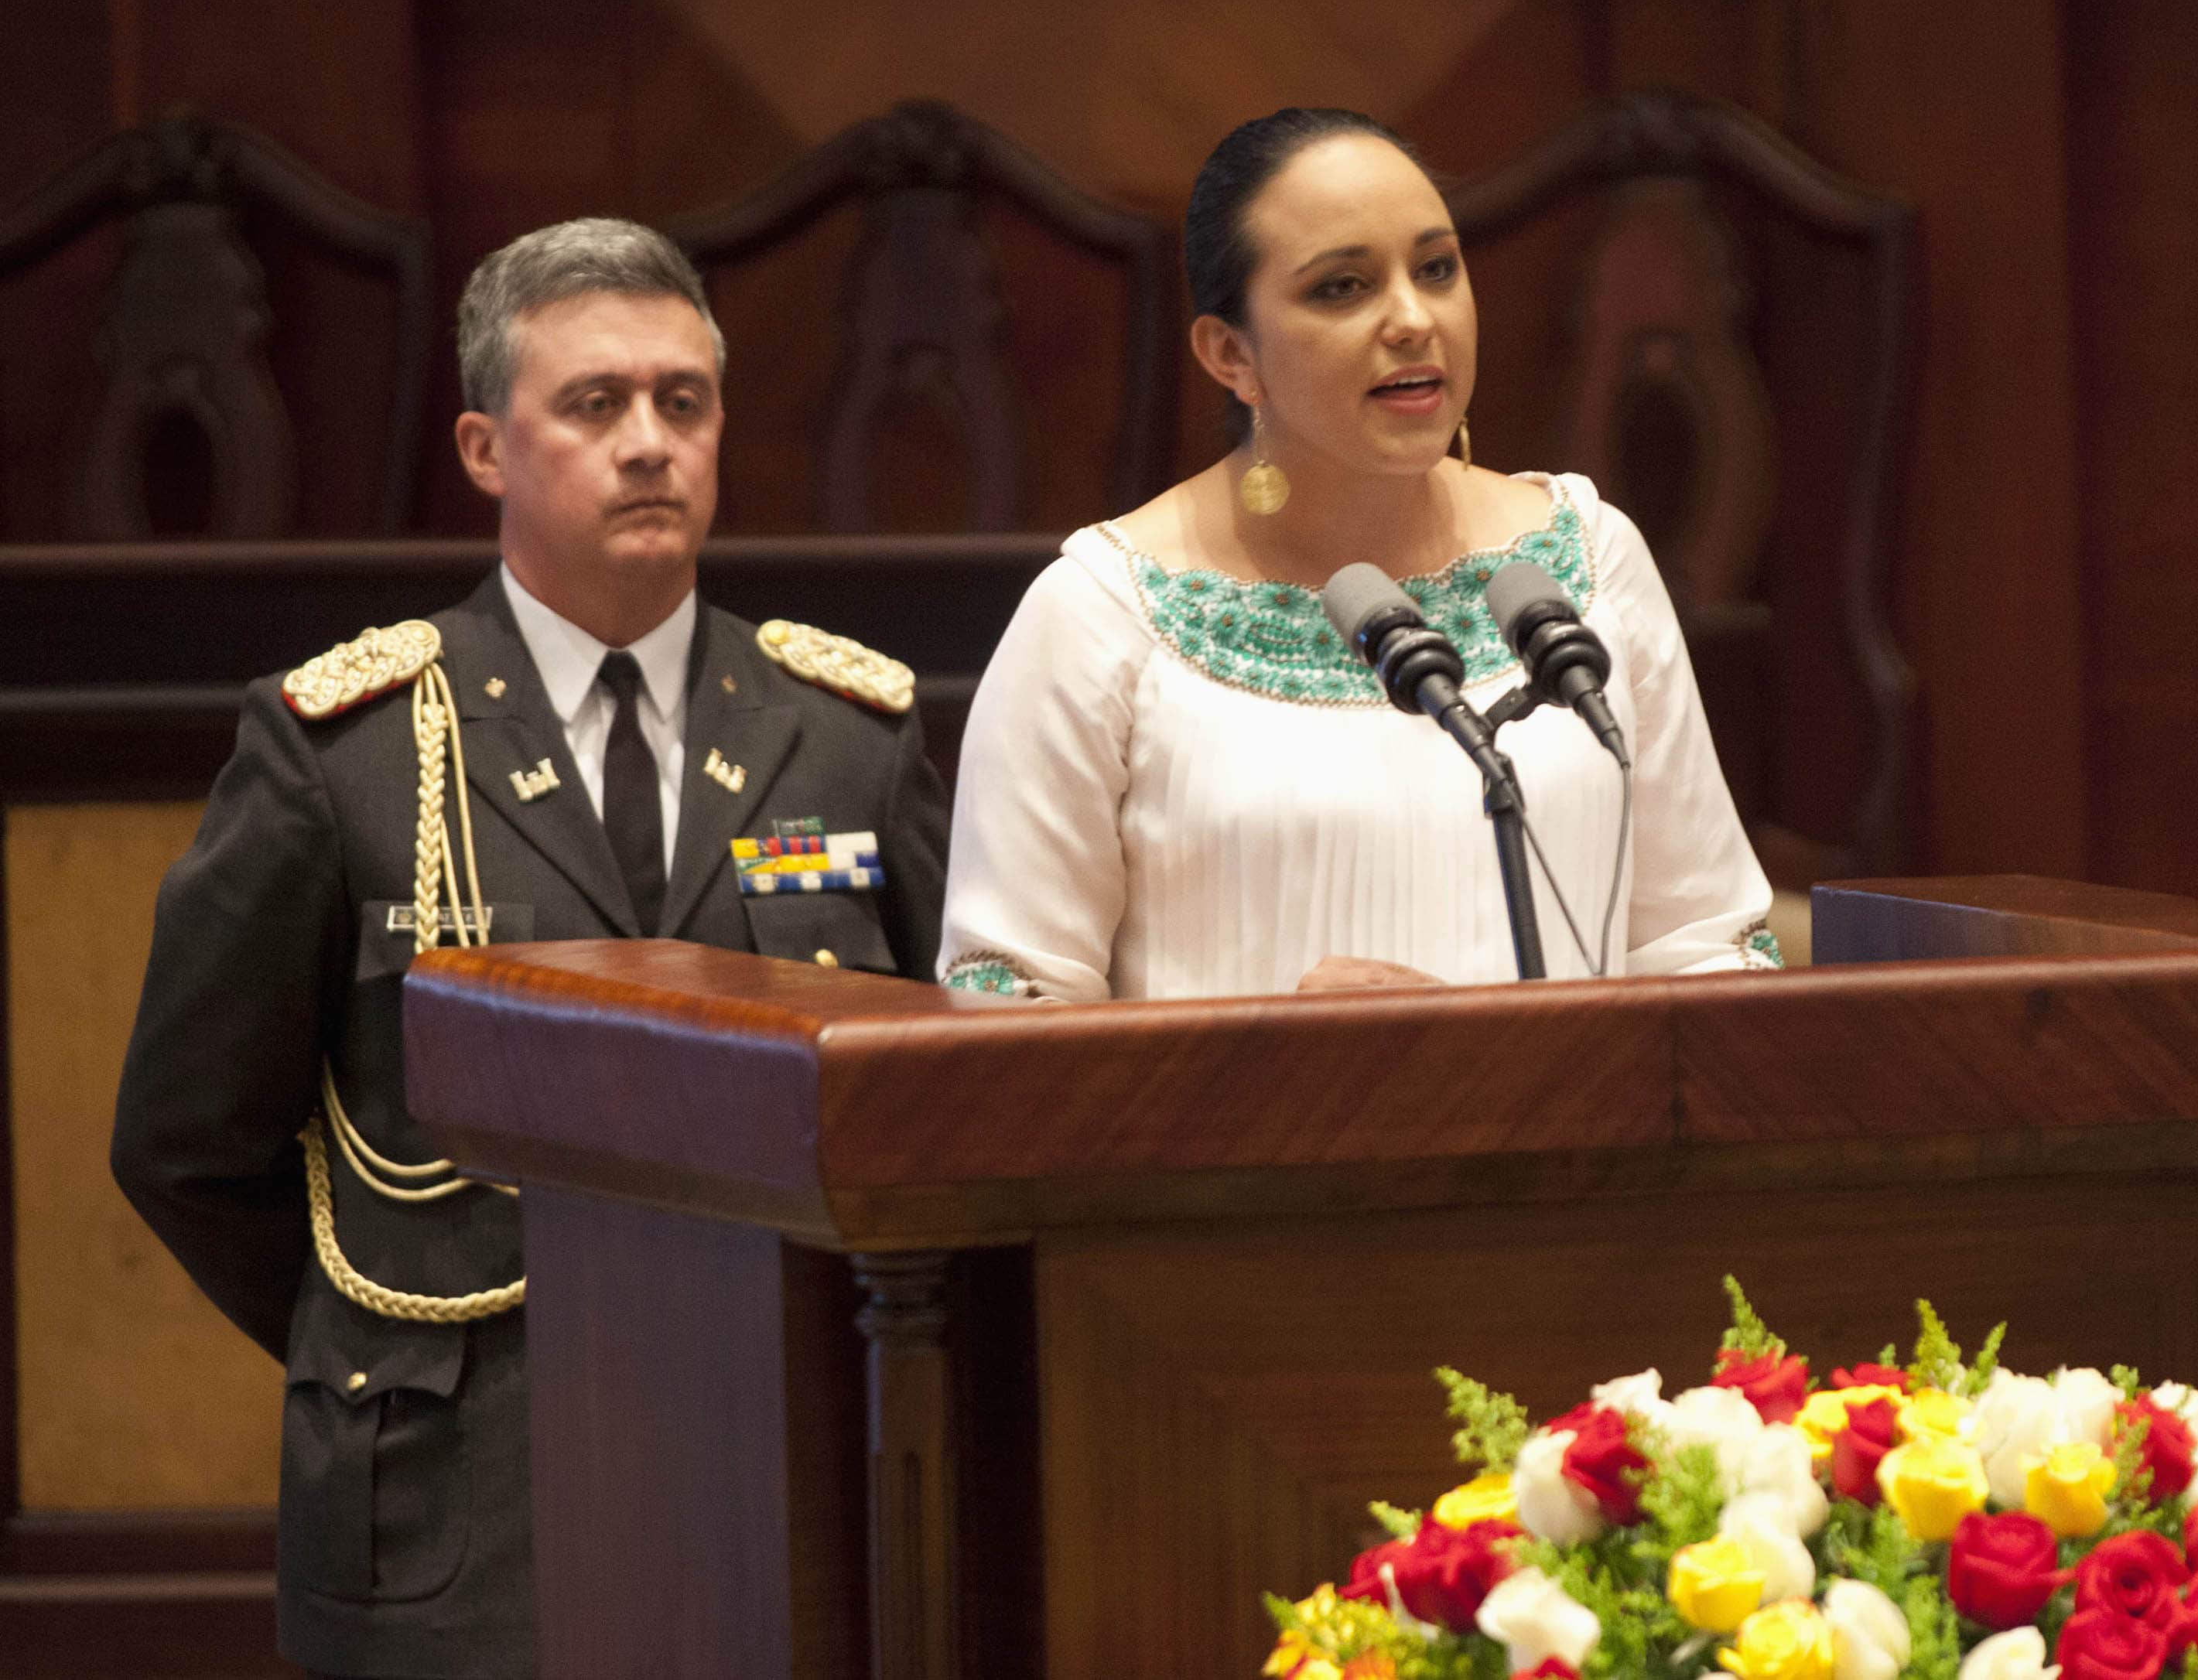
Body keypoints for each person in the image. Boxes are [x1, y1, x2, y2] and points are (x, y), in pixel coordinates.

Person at [109, 217, 949, 1679]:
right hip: (462, 1497)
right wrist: (375, 1340)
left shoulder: (848, 737)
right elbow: (187, 1138)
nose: (648, 444)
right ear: (488, 447)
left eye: (682, 403)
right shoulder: (346, 754)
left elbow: (950, 1089)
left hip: (793, 1466)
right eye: (595, 404)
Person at [937, 109, 1777, 1001]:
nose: (1414, 319)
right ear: (1231, 354)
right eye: (1341, 288)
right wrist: (1288, 1062)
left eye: (1436, 268)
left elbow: (1705, 944)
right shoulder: (1100, 614)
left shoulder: (1589, 559)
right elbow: (1003, 1008)